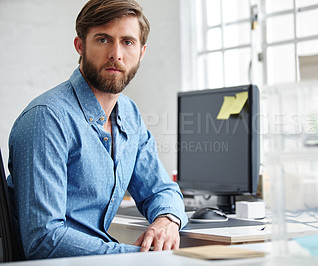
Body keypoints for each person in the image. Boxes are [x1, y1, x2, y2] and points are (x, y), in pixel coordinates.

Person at [7, 0, 188, 259]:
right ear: (80, 46)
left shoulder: (129, 114)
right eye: (103, 40)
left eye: (127, 42)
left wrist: (168, 219)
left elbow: (161, 189)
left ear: (142, 52)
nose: (116, 53)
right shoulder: (47, 119)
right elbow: (44, 241)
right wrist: (139, 256)